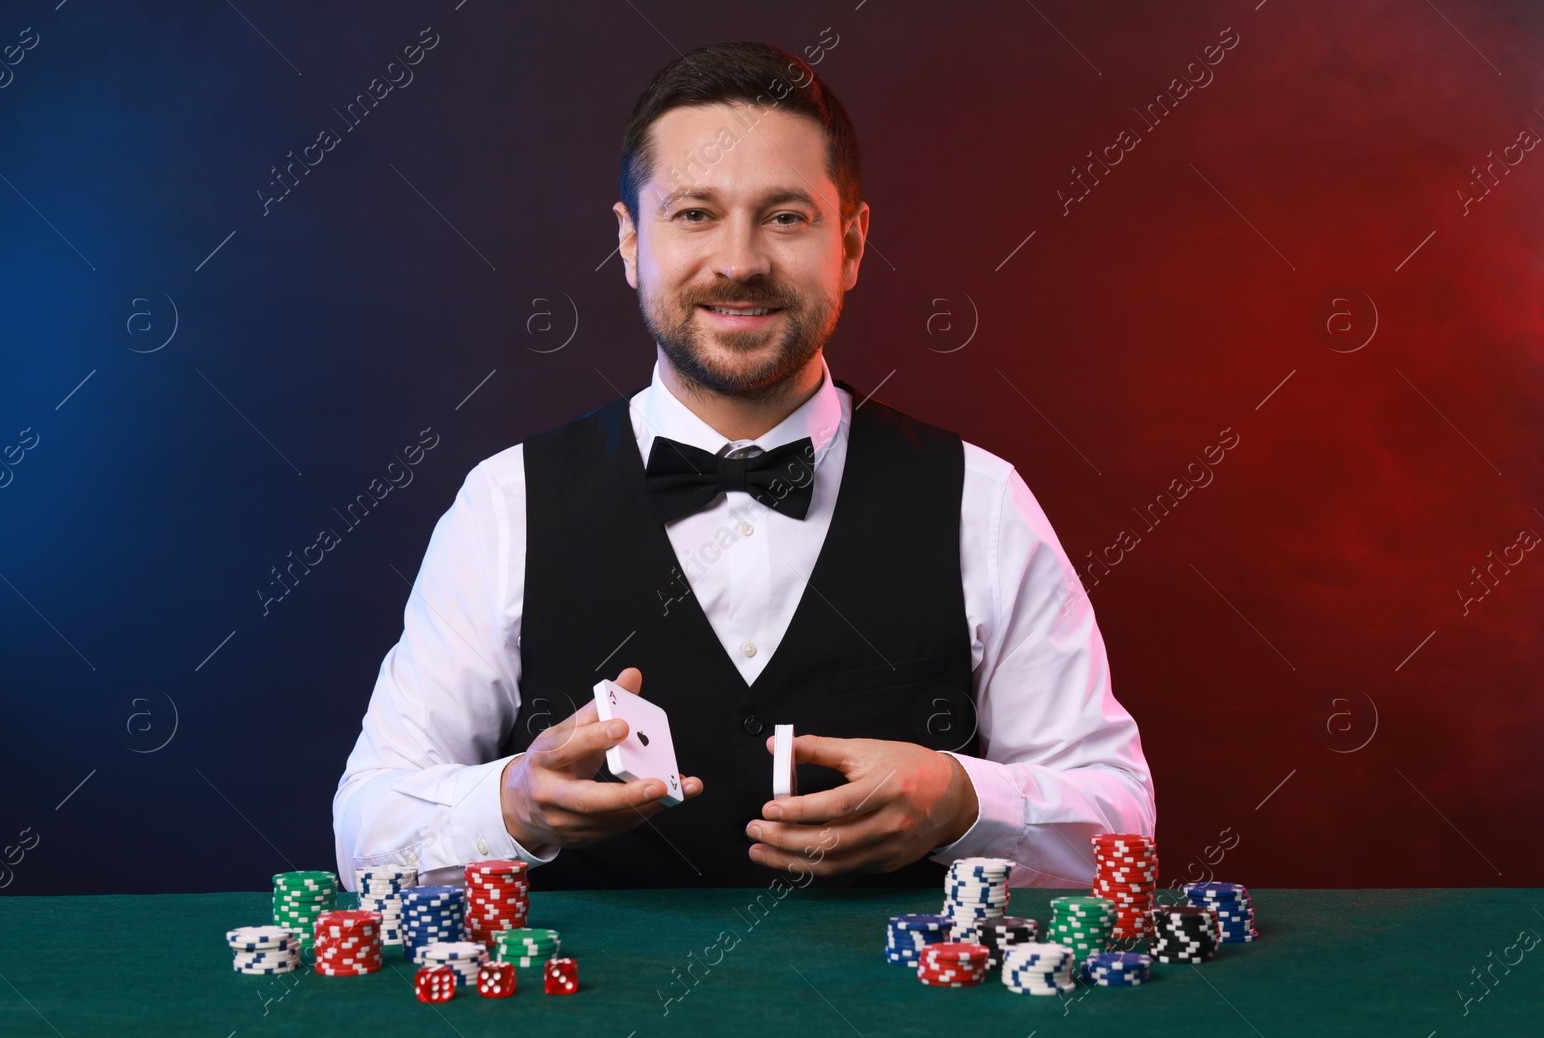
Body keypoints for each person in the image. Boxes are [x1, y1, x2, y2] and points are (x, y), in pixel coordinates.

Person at [333, 40, 1153, 891]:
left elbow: (1123, 815)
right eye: (694, 213)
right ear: (628, 243)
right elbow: (367, 833)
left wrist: (964, 801)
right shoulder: (506, 505)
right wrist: (512, 805)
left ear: (854, 242)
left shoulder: (980, 502)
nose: (739, 262)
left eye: (786, 216)